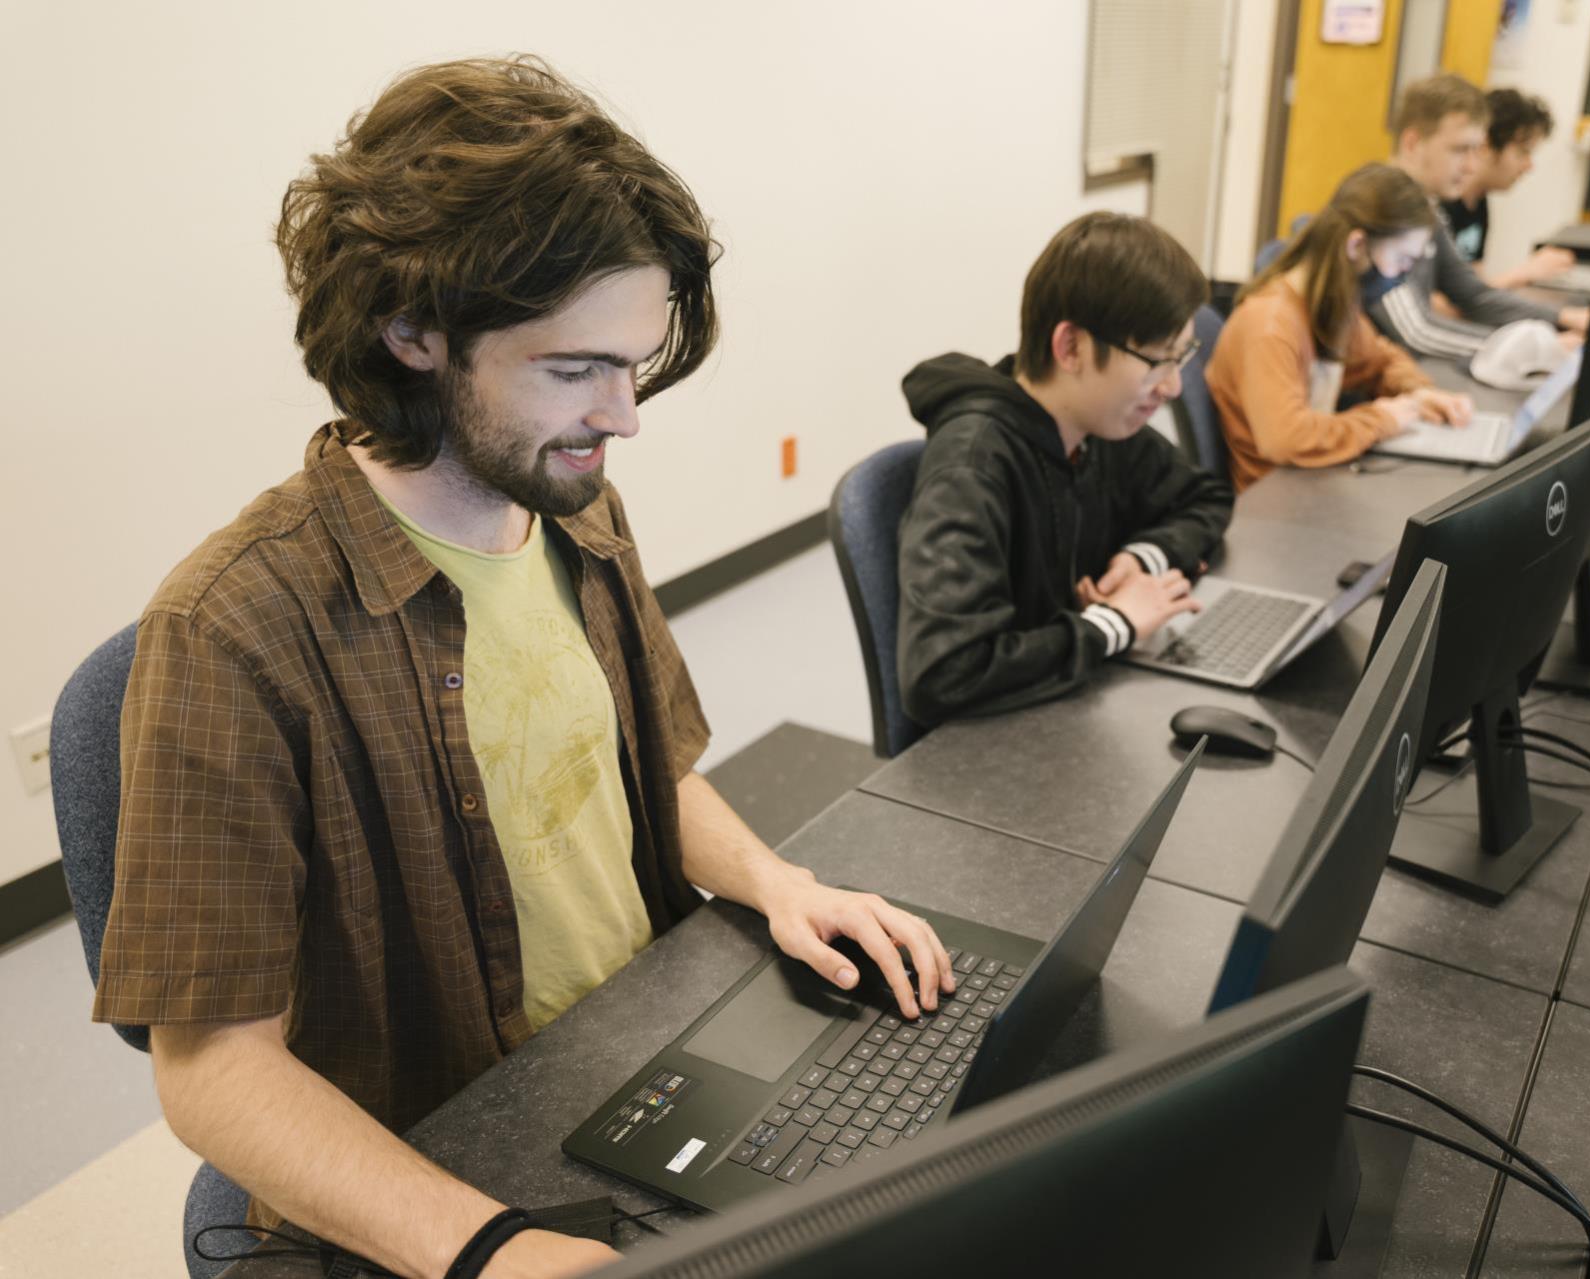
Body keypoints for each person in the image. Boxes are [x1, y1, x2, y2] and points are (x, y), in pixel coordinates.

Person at [94, 56, 955, 1279]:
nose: (623, 416)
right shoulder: (231, 631)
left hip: (632, 1065)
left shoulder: (575, 509)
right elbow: (213, 1072)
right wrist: (497, 1252)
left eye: (632, 365)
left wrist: (777, 883)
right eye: (574, 370)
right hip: (451, 1164)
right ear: (412, 333)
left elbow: (648, 771)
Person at [896, 212, 1234, 727]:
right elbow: (945, 672)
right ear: (1071, 347)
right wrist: (1114, 624)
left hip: (1072, 710)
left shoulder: (1099, 427)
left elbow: (1205, 497)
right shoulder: (973, 467)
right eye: (1157, 361)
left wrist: (1140, 559)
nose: (1173, 387)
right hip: (995, 748)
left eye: (1181, 357)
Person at [1208, 164, 1473, 488]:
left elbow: (1381, 361)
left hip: (1314, 480)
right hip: (1276, 498)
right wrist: (1381, 420)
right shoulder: (1269, 325)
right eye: (1401, 260)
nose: (1402, 276)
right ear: (1356, 245)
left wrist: (1419, 392)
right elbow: (1286, 439)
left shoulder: (1332, 308)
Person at [1369, 74, 1589, 362]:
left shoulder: (1426, 210)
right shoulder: (1384, 207)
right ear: (1412, 143)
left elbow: (1475, 296)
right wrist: (1537, 349)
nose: (1472, 166)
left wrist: (1562, 318)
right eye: (1460, 150)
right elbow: (1415, 332)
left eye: (1475, 151)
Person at [1441, 89, 1578, 289]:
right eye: (1523, 153)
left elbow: (1475, 287)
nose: (1529, 166)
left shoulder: (1478, 203)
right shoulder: (1442, 205)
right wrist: (1525, 273)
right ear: (1486, 146)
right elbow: (1434, 302)